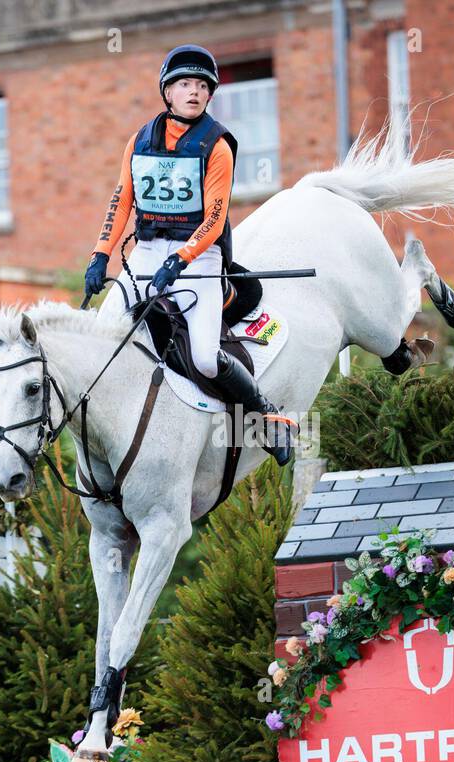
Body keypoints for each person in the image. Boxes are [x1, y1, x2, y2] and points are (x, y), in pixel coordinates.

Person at [83, 44, 294, 466]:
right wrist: (99, 255)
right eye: (184, 84)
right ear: (168, 91)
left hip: (198, 257)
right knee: (103, 339)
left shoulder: (217, 146)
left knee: (204, 359)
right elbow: (123, 199)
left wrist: (180, 260)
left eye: (201, 85)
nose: (194, 92)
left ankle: (267, 417)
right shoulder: (140, 140)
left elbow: (214, 218)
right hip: (146, 251)